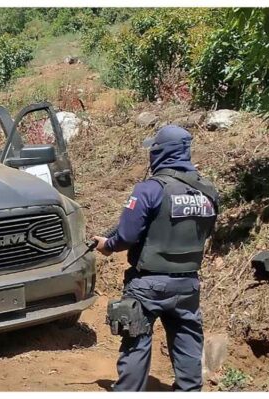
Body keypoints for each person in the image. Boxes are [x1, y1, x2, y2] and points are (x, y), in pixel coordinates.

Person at [93, 125, 219, 392]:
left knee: (136, 340)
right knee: (187, 341)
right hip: (188, 284)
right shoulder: (208, 191)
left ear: (161, 152)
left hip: (147, 284)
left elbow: (126, 236)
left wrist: (108, 245)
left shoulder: (149, 189)